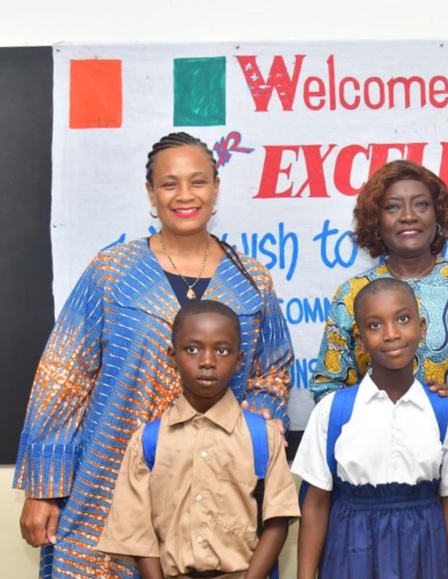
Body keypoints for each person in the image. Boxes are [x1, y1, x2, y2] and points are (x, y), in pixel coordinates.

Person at [15, 132, 294, 579]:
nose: (185, 195)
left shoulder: (251, 281)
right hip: (106, 492)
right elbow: (62, 378)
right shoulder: (113, 273)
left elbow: (271, 370)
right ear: (151, 193)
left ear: (216, 189)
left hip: (215, 502)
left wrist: (256, 426)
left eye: (198, 181)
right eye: (170, 184)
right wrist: (44, 488)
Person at [309, 159, 448, 576]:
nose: (408, 216)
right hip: (373, 488)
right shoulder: (353, 294)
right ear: (374, 221)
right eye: (392, 207)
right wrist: (381, 423)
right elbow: (328, 386)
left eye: (420, 204)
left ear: (439, 215)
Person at [294, 278, 448, 579]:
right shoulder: (333, 411)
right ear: (359, 340)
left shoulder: (443, 412)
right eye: (374, 325)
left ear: (422, 328)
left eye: (403, 319)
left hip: (423, 552)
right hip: (351, 552)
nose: (392, 334)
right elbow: (316, 504)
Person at [97, 300, 300, 579]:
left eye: (222, 350)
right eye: (192, 349)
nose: (207, 361)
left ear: (239, 360)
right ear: (172, 356)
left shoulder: (261, 436)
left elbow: (278, 520)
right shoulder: (148, 441)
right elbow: (136, 532)